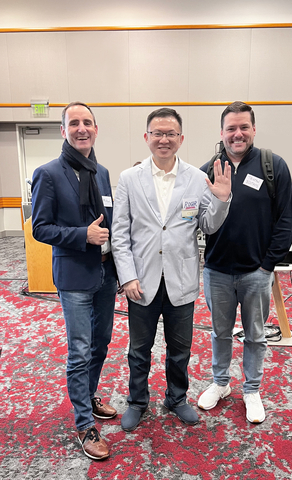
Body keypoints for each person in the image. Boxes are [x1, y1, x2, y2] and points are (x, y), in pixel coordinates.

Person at [111, 107, 232, 432]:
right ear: (147, 137)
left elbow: (208, 225)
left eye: (170, 134)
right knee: (138, 351)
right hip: (142, 283)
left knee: (180, 350)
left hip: (181, 281)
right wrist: (128, 276)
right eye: (157, 133)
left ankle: (176, 398)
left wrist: (222, 199)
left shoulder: (196, 177)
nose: (163, 139)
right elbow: (119, 233)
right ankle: (137, 401)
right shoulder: (129, 179)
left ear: (180, 139)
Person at [198, 101, 292, 423]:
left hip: (256, 273)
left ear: (253, 129)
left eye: (243, 127)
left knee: (255, 334)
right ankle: (221, 383)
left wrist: (267, 265)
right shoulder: (208, 170)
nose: (237, 134)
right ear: (222, 133)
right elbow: (196, 219)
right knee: (219, 332)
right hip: (217, 272)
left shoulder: (273, 166)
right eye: (231, 128)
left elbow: (286, 221)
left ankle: (252, 389)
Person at [31, 102, 118, 460]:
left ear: (96, 129)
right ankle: (84, 424)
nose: (82, 128)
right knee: (79, 351)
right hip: (74, 276)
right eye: (74, 123)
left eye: (88, 123)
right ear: (63, 131)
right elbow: (41, 227)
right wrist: (83, 235)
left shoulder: (103, 172)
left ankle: (90, 395)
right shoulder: (48, 173)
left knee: (101, 343)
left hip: (105, 273)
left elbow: (112, 218)